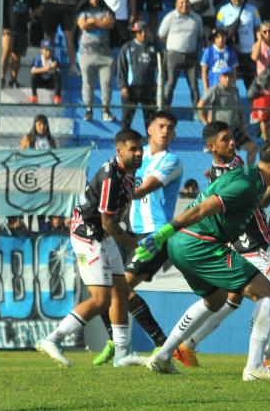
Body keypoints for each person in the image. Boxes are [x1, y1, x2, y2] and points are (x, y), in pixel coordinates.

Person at [139, 136, 270, 381]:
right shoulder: (246, 184)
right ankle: (255, 367)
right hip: (198, 242)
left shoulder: (251, 177)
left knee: (215, 300)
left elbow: (255, 201)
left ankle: (162, 356)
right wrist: (164, 232)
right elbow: (202, 209)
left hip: (182, 244)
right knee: (268, 294)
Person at [173, 121, 270, 369]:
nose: (232, 142)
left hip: (241, 240)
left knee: (231, 297)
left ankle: (187, 344)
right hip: (252, 240)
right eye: (225, 139)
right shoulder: (226, 175)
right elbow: (254, 204)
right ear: (212, 146)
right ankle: (263, 358)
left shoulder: (233, 165)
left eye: (232, 137)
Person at [36, 129, 146, 368]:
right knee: (100, 300)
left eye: (140, 148)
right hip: (88, 235)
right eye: (133, 149)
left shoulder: (130, 172)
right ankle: (52, 339)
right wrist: (133, 242)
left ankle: (122, 353)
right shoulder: (111, 177)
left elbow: (116, 214)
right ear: (119, 150)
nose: (138, 153)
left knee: (121, 290)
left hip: (103, 234)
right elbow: (106, 220)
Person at [91, 111, 183, 366]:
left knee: (123, 288)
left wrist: (106, 192)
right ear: (149, 130)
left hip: (155, 234)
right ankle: (114, 340)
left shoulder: (171, 160)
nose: (166, 131)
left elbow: (144, 188)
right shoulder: (136, 159)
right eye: (161, 126)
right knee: (103, 283)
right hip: (129, 232)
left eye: (170, 128)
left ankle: (163, 344)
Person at [198, 67, 258, 164]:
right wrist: (207, 124)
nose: (228, 79)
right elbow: (200, 107)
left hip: (236, 129)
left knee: (252, 148)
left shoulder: (235, 90)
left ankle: (249, 172)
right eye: (225, 76)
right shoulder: (213, 90)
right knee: (228, 156)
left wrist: (243, 125)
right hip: (221, 132)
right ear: (219, 78)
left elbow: (239, 108)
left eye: (230, 76)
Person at [159, 0, 205, 111]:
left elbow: (200, 35)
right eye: (181, 3)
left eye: (187, 2)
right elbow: (162, 35)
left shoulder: (197, 18)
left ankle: (196, 110)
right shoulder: (169, 17)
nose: (184, 5)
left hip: (191, 56)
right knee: (170, 84)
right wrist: (173, 46)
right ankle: (165, 108)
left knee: (194, 85)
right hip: (174, 56)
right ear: (176, 4)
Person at [76, 0, 116, 122]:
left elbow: (109, 23)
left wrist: (92, 21)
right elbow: (83, 24)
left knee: (106, 83)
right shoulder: (83, 12)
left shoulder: (106, 11)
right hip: (87, 55)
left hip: (105, 55)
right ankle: (89, 109)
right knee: (87, 83)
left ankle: (106, 110)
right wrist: (99, 22)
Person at [216, 0, 261, 91]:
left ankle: (254, 105)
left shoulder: (253, 10)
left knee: (252, 85)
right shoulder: (223, 11)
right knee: (228, 82)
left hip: (248, 53)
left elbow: (258, 30)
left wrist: (258, 46)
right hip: (230, 53)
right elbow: (218, 32)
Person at [117, 20, 158, 130]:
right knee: (127, 119)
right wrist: (123, 86)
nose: (143, 34)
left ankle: (151, 144)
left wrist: (157, 84)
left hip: (149, 88)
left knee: (150, 120)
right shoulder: (127, 47)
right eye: (140, 32)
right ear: (135, 33)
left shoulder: (154, 48)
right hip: (131, 89)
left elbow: (160, 68)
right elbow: (121, 68)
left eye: (145, 31)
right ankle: (124, 141)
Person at [1, 0, 39, 88]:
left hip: (22, 29)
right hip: (8, 29)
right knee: (5, 53)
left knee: (17, 56)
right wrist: (4, 27)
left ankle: (13, 81)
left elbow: (40, 7)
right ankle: (1, 79)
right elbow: (2, 9)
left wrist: (30, 16)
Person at [39, 0, 79, 75]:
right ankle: (48, 66)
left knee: (70, 35)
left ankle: (72, 66)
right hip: (50, 3)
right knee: (49, 36)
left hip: (69, 4)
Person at [199, 28, 239, 97]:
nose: (221, 39)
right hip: (213, 86)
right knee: (211, 106)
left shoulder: (231, 51)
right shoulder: (208, 51)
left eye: (223, 37)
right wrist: (206, 88)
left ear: (226, 38)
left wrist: (233, 84)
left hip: (227, 87)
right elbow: (204, 71)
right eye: (217, 37)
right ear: (214, 38)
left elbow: (234, 70)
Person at [29, 39, 62, 105]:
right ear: (41, 50)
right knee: (34, 76)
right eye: (46, 50)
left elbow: (58, 69)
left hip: (50, 82)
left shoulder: (54, 59)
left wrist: (54, 66)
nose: (48, 53)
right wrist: (46, 68)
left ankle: (57, 96)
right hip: (40, 81)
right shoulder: (37, 59)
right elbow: (32, 71)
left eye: (50, 50)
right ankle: (34, 96)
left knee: (57, 75)